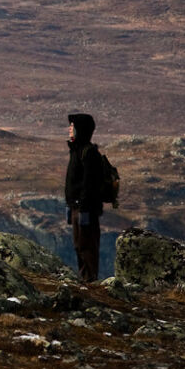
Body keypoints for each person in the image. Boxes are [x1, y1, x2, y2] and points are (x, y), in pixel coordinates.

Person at [64, 112, 107, 282]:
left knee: (87, 246)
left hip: (85, 210)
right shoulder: (78, 151)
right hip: (77, 208)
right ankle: (85, 279)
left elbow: (89, 185)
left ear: (80, 130)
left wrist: (83, 207)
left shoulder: (88, 153)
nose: (70, 129)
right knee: (79, 245)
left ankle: (90, 281)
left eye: (72, 126)